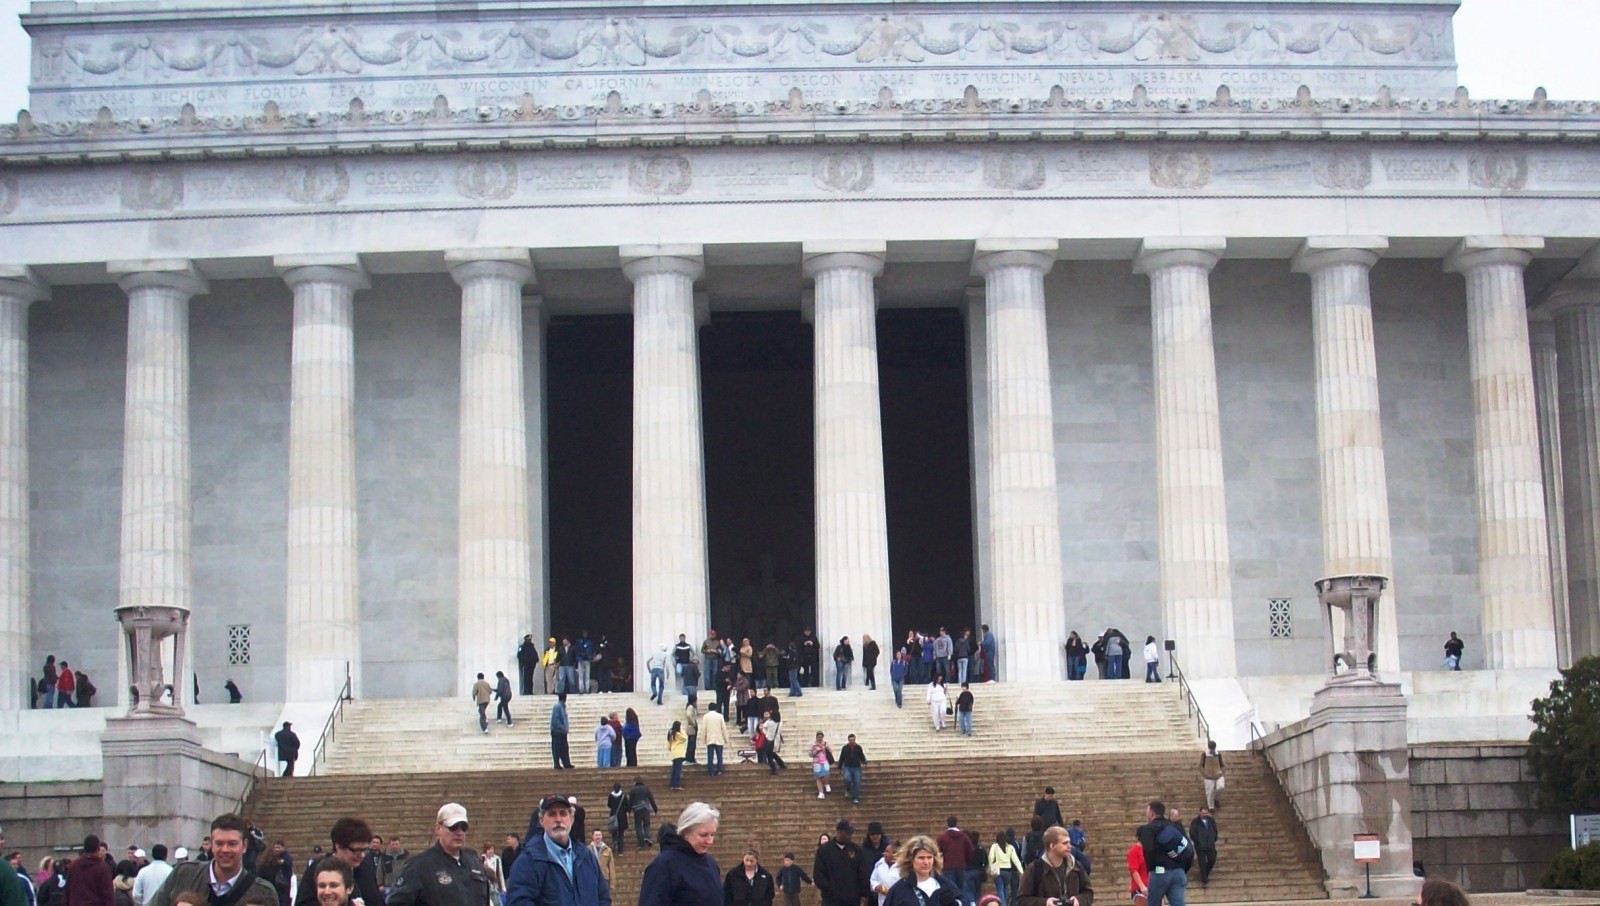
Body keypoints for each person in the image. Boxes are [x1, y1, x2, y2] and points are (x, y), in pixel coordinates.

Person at [146, 817, 278, 906]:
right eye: (219, 843)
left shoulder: (263, 892)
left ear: (244, 846)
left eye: (232, 844)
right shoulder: (184, 874)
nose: (225, 850)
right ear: (211, 845)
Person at [505, 794, 609, 906]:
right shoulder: (528, 861)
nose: (558, 819)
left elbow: (603, 896)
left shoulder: (586, 856)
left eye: (563, 813)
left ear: (572, 819)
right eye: (552, 814)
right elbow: (518, 901)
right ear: (541, 821)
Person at [388, 804, 491, 906]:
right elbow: (396, 902)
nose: (459, 832)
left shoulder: (474, 864)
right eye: (453, 827)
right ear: (438, 829)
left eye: (463, 828)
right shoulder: (419, 866)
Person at [637, 803, 721, 906]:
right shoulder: (664, 864)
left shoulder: (711, 863)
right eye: (703, 835)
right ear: (686, 832)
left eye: (712, 835)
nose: (710, 841)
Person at [292, 818, 382, 906]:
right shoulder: (319, 869)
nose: (362, 855)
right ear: (338, 846)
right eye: (356, 850)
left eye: (364, 850)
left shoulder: (366, 869)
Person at [1015, 826, 1092, 906]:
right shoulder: (1034, 869)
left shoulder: (1076, 866)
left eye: (1069, 842)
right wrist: (1045, 903)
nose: (1070, 846)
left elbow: (1088, 892)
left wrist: (1079, 900)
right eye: (1065, 843)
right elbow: (1022, 900)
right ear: (1052, 846)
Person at [1136, 802, 1190, 906]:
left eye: (1147, 811)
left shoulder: (1148, 829)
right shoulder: (1174, 827)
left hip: (1159, 871)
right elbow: (1188, 848)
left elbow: (1149, 851)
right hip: (1178, 872)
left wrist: (1151, 870)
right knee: (1179, 903)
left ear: (1152, 813)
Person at [881, 836, 958, 906]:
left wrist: (955, 904)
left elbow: (963, 901)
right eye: (921, 858)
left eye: (929, 857)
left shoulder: (946, 886)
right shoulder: (898, 891)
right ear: (911, 860)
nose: (926, 862)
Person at [812, 821, 869, 906]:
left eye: (851, 833)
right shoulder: (824, 851)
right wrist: (830, 890)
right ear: (839, 832)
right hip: (831, 900)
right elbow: (818, 874)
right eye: (847, 833)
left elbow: (863, 873)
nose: (850, 836)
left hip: (852, 900)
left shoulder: (856, 850)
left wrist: (864, 893)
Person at [933, 818, 977, 906]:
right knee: (963, 890)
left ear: (947, 824)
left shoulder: (942, 837)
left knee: (949, 889)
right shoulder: (964, 837)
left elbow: (935, 851)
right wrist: (966, 862)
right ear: (956, 823)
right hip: (961, 867)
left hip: (947, 867)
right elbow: (970, 851)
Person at [64, 836, 112, 906]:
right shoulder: (103, 867)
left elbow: (67, 891)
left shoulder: (74, 866)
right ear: (98, 849)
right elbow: (108, 895)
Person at [988, 832, 1023, 906]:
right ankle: (1006, 903)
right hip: (1008, 871)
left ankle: (1003, 904)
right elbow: (1016, 860)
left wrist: (991, 866)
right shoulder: (1010, 847)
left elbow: (991, 857)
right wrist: (1021, 871)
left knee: (1000, 889)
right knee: (1005, 888)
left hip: (998, 870)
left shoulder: (995, 846)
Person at [1187, 809, 1217, 888]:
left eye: (1206, 813)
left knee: (1212, 859)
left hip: (1210, 845)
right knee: (1202, 863)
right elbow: (1192, 833)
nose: (1205, 815)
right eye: (1203, 813)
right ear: (1200, 813)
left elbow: (1215, 830)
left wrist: (1214, 838)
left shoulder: (1211, 821)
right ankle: (1204, 879)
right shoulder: (1195, 822)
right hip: (1200, 846)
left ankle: (1205, 874)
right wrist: (1197, 841)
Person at [630, 778, 659, 849]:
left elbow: (630, 801)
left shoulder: (633, 790)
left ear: (635, 782)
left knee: (638, 825)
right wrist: (655, 809)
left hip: (637, 810)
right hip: (645, 809)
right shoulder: (646, 789)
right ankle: (646, 836)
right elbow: (651, 799)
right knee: (647, 824)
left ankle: (640, 843)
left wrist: (629, 810)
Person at [700, 703, 728, 777]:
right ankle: (719, 769)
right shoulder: (720, 716)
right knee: (719, 755)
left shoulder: (706, 717)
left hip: (710, 738)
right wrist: (726, 739)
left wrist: (703, 739)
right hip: (719, 738)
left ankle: (711, 771)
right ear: (716, 708)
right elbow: (724, 729)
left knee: (710, 756)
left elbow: (704, 729)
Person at [838, 734, 867, 805]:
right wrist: (839, 766)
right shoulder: (845, 748)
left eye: (853, 740)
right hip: (847, 767)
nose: (852, 741)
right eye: (850, 740)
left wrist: (864, 761)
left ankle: (855, 798)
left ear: (855, 740)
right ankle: (848, 789)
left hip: (856, 767)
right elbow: (842, 757)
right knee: (847, 779)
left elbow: (861, 755)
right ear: (848, 740)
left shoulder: (858, 747)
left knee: (857, 782)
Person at [1198, 742, 1224, 810]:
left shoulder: (1218, 754)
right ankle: (1211, 806)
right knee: (1210, 791)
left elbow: (1222, 764)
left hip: (1218, 774)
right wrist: (1205, 774)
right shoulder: (1204, 755)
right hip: (1208, 776)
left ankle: (1216, 799)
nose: (1212, 750)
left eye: (1213, 748)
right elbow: (1200, 766)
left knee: (1221, 787)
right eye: (1211, 748)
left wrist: (1222, 772)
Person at [550, 693, 573, 770]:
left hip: (562, 731)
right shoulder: (557, 707)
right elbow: (555, 720)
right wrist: (563, 728)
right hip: (558, 731)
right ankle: (557, 764)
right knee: (557, 748)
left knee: (564, 748)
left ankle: (566, 763)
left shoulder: (562, 707)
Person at [1125, 828, 1147, 906]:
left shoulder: (1151, 850)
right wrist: (1142, 886)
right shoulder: (1134, 851)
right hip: (1140, 889)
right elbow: (1134, 870)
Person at [808, 732, 834, 798]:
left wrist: (826, 748)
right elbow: (810, 754)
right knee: (818, 777)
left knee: (826, 774)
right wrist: (816, 751)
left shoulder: (825, 743)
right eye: (818, 737)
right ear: (816, 737)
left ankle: (826, 784)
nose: (820, 738)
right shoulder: (813, 744)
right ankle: (821, 792)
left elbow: (830, 751)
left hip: (825, 761)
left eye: (821, 737)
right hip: (817, 762)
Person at [667, 721, 688, 790]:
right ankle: (676, 784)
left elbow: (668, 744)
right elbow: (685, 738)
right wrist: (681, 730)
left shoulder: (671, 734)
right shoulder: (679, 734)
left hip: (674, 753)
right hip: (679, 753)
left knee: (674, 769)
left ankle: (672, 784)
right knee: (678, 770)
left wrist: (670, 749)